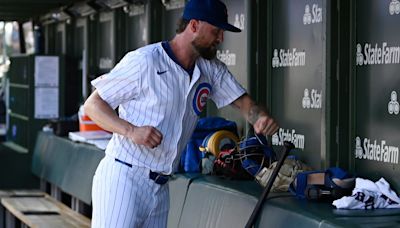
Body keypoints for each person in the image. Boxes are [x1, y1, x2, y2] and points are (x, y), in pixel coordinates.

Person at [84, 0, 279, 227]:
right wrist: (131, 131)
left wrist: (259, 118)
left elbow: (246, 105)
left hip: (161, 186)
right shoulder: (146, 60)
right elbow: (93, 105)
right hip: (124, 177)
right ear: (194, 26)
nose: (220, 39)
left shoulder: (210, 69)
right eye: (216, 31)